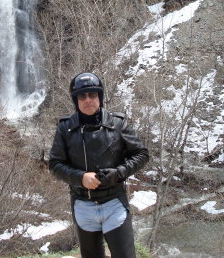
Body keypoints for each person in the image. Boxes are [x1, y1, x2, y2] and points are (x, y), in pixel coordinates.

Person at [49, 72, 149, 258]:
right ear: (75, 100)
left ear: (100, 97)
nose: (88, 100)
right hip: (83, 204)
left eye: (93, 94)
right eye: (82, 96)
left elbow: (141, 154)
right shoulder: (65, 128)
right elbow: (55, 164)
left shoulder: (117, 123)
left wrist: (118, 173)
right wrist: (80, 177)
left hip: (114, 203)